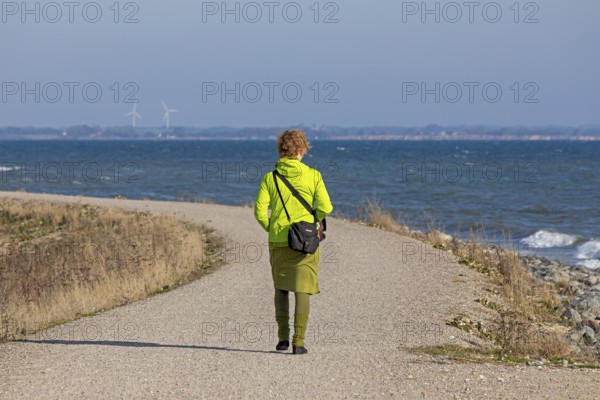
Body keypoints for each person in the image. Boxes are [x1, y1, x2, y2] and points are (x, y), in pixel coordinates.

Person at [254, 129, 333, 354]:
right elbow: (326, 207)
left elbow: (259, 211)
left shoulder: (270, 178)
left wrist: (272, 228)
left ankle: (282, 340)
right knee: (303, 290)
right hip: (306, 240)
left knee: (281, 288)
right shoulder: (314, 175)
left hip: (279, 240)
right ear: (300, 150)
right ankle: (299, 342)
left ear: (281, 150)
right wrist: (313, 220)